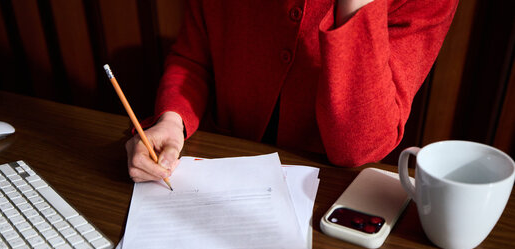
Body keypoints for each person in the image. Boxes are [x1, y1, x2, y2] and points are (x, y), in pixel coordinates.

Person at [126, 0, 458, 183]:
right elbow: (193, 57)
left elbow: (360, 146)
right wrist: (171, 120)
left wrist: (355, 8)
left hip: (328, 191)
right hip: (219, 166)